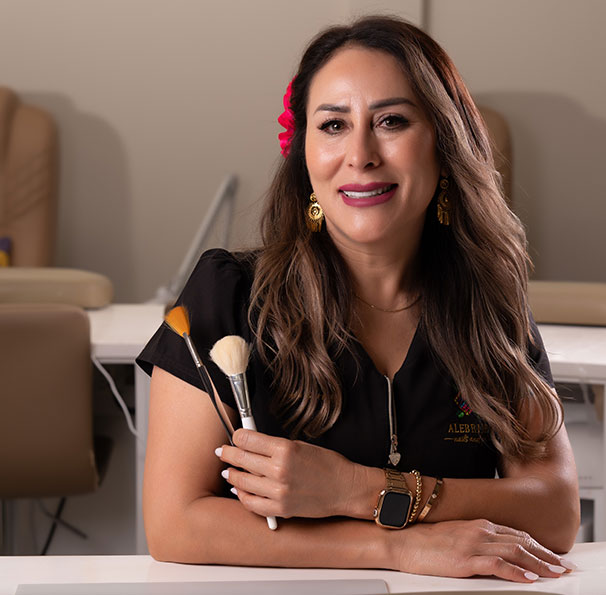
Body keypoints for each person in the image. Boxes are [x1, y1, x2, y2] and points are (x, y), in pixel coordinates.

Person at [137, 15, 580, 584]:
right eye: (333, 125)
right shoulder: (227, 295)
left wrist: (358, 489)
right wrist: (396, 546)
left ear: (444, 145)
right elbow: (175, 525)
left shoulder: (488, 305)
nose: (361, 153)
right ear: (303, 153)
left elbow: (556, 510)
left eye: (392, 121)